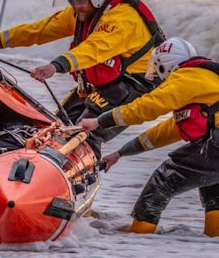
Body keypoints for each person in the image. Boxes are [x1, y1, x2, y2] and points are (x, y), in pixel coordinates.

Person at [0, 0, 165, 157]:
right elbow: (39, 30)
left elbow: (92, 49)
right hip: (108, 82)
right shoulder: (83, 11)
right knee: (55, 127)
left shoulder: (123, 19)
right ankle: (31, 166)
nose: (76, 7)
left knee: (85, 132)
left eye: (79, 1)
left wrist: (55, 66)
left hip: (137, 84)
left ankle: (77, 174)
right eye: (72, 1)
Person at [79, 37, 219, 236]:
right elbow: (168, 130)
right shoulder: (205, 80)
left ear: (166, 66)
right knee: (214, 185)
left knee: (164, 180)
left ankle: (139, 235)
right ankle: (213, 237)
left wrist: (100, 121)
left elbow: (147, 106)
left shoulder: (187, 76)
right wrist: (120, 153)